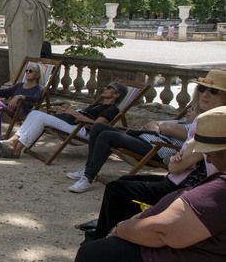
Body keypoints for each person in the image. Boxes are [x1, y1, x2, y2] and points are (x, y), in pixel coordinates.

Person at [73, 106, 226, 262]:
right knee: (117, 250)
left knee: (91, 256)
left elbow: (163, 232)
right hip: (203, 259)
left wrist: (122, 228)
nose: (207, 157)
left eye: (208, 151)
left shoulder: (220, 189)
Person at [88, 71, 226, 239]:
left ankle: (101, 238)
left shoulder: (214, 124)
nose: (205, 94)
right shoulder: (202, 119)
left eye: (213, 91)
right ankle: (113, 227)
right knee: (123, 182)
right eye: (203, 88)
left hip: (185, 185)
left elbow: (179, 164)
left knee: (117, 189)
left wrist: (178, 159)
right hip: (176, 175)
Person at [66, 100, 201, 194]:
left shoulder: (194, 128)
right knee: (98, 126)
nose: (188, 111)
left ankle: (88, 178)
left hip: (155, 150)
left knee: (107, 136)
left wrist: (160, 127)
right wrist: (160, 127)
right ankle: (88, 169)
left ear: (200, 116)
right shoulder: (180, 122)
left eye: (193, 110)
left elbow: (164, 127)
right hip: (142, 139)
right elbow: (152, 123)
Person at [0, 81, 128, 158]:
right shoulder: (99, 104)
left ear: (116, 94)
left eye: (110, 88)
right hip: (73, 125)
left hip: (81, 131)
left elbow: (97, 126)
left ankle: (13, 145)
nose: (105, 88)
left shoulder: (112, 110)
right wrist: (69, 112)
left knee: (39, 116)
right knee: (35, 114)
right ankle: (14, 147)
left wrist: (75, 114)